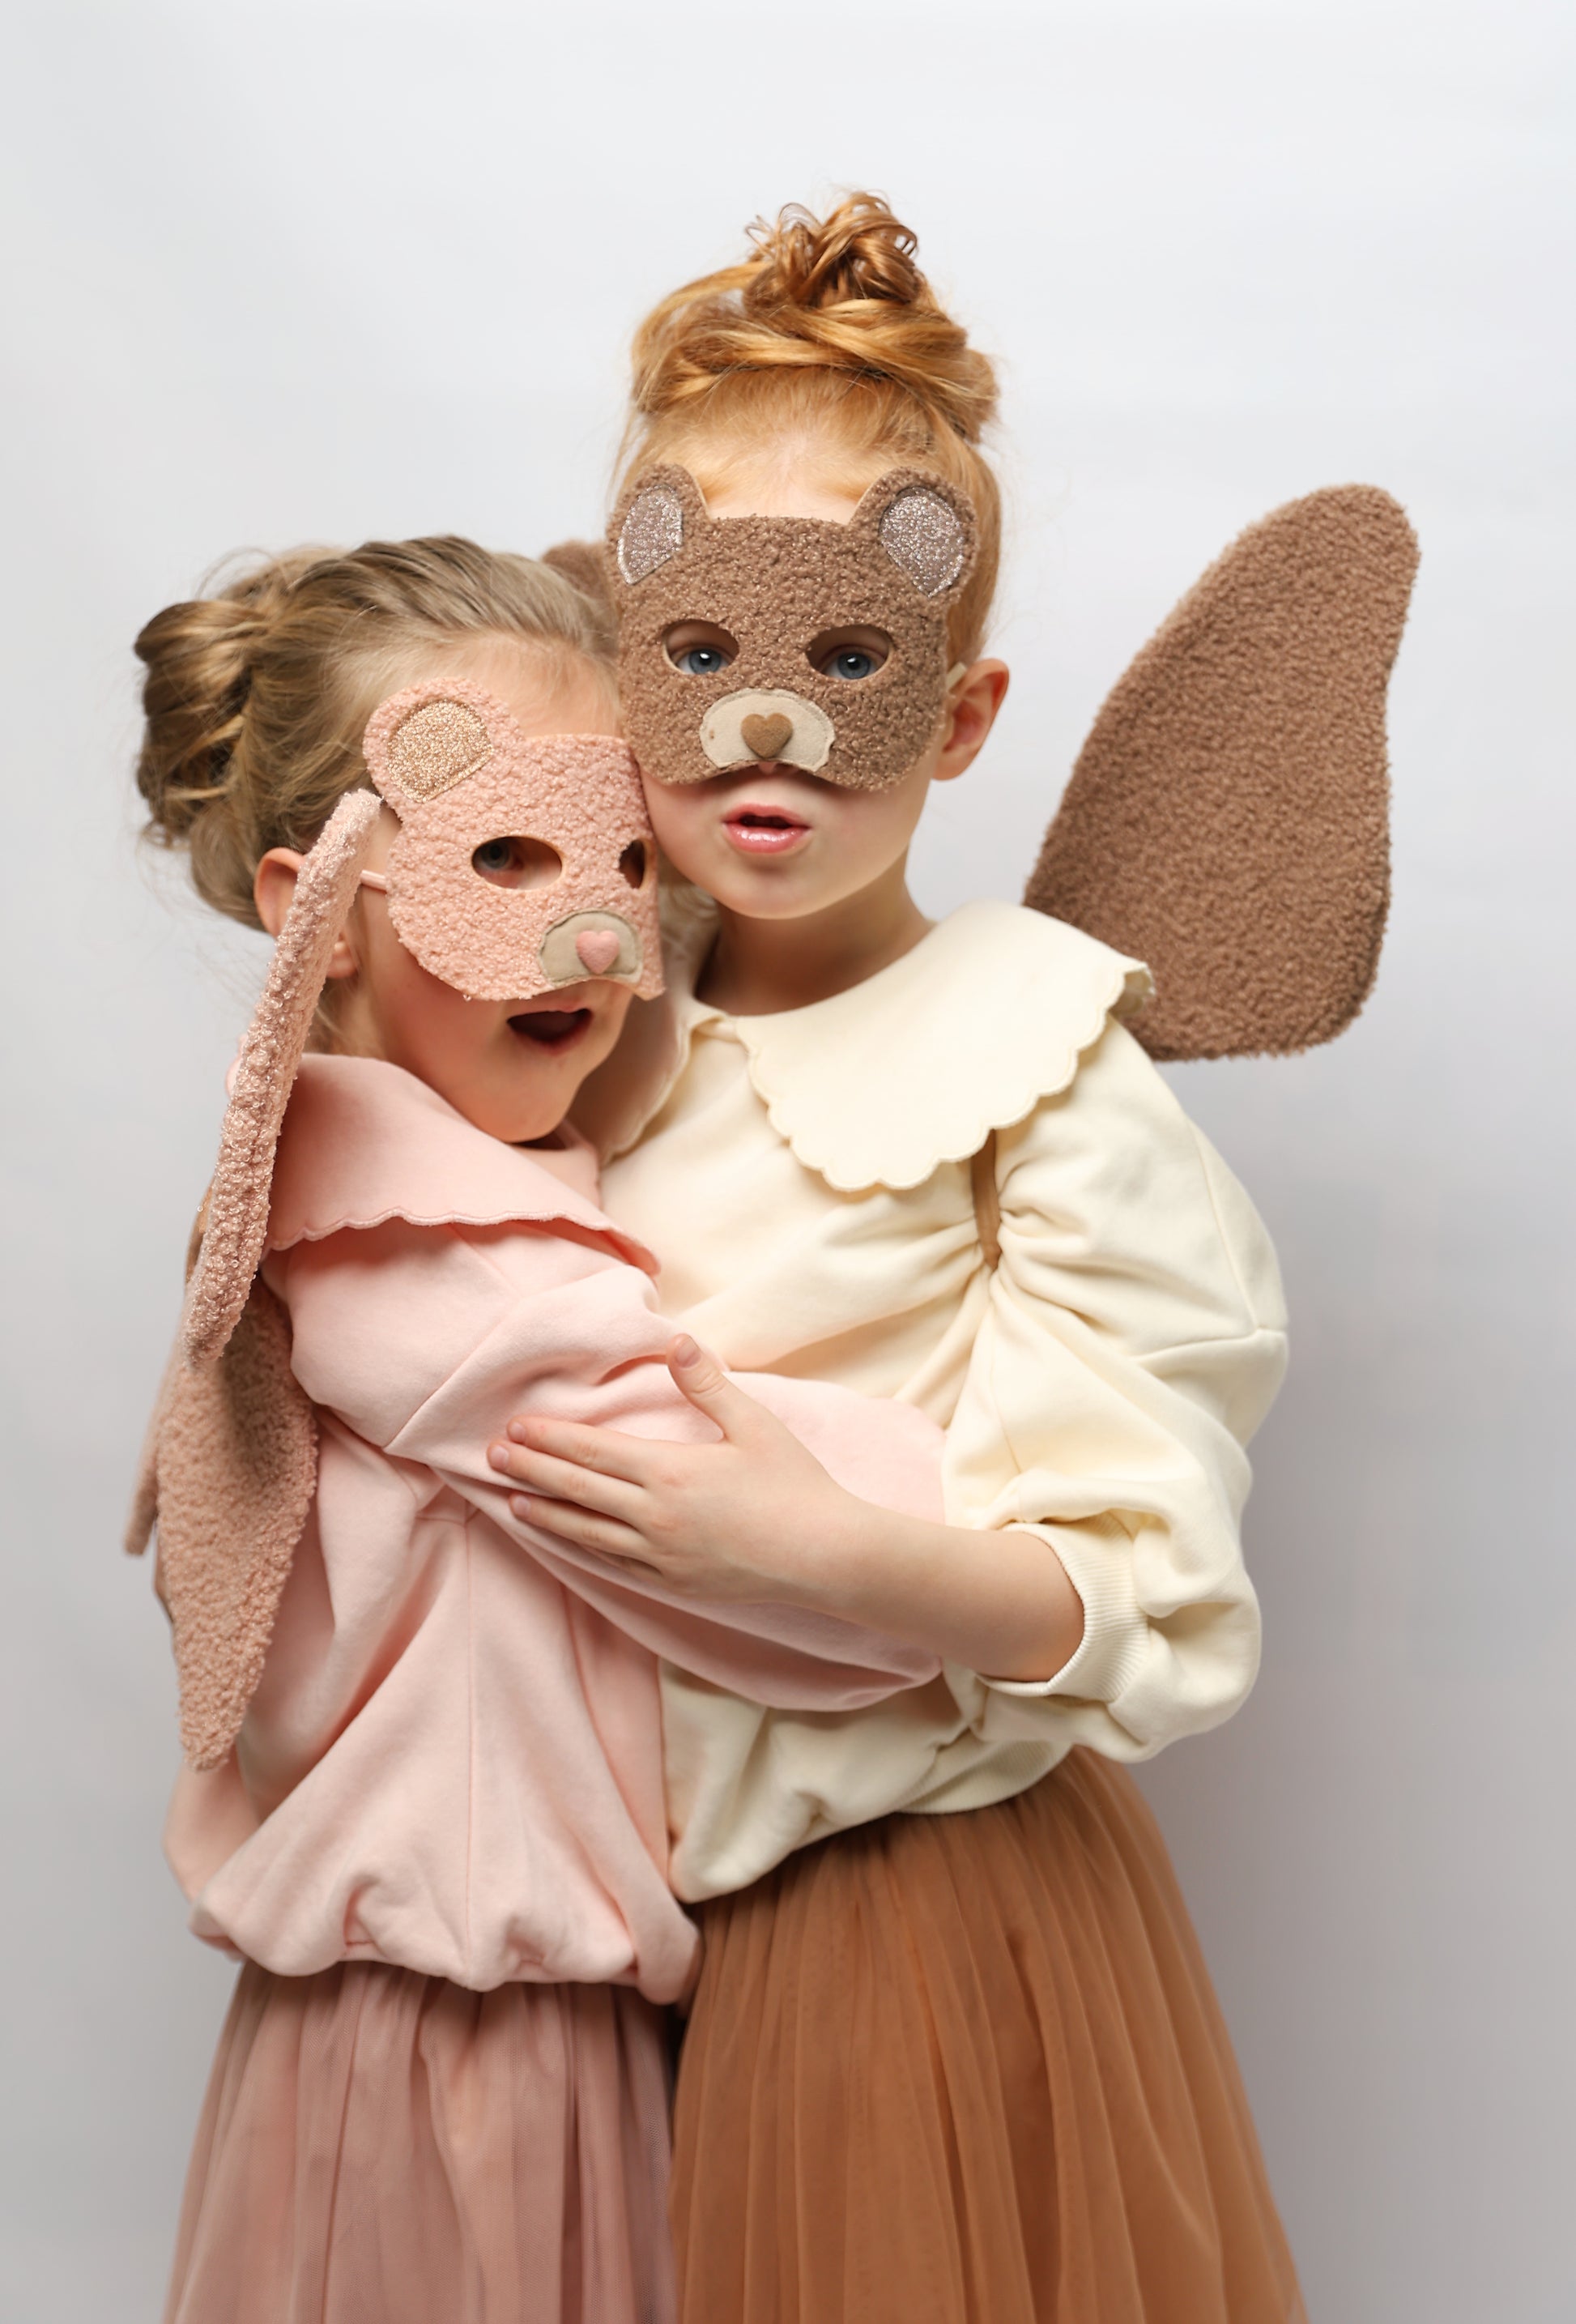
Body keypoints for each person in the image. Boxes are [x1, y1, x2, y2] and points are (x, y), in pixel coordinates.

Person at [488, 197, 1310, 2322]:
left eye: (846, 659)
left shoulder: (1035, 1054)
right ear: (620, 672)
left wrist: (811, 1547)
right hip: (558, 1929)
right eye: (699, 657)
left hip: (894, 1925)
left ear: (957, 711)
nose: (765, 729)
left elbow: (1142, 1604)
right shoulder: (560, 1022)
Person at [129, 533, 950, 2324]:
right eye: (504, 853)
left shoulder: (473, 1196)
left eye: (625, 857)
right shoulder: (417, 1253)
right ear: (319, 904)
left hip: (499, 2027)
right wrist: (1019, 1482)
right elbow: (774, 1556)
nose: (592, 926)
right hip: (454, 2055)